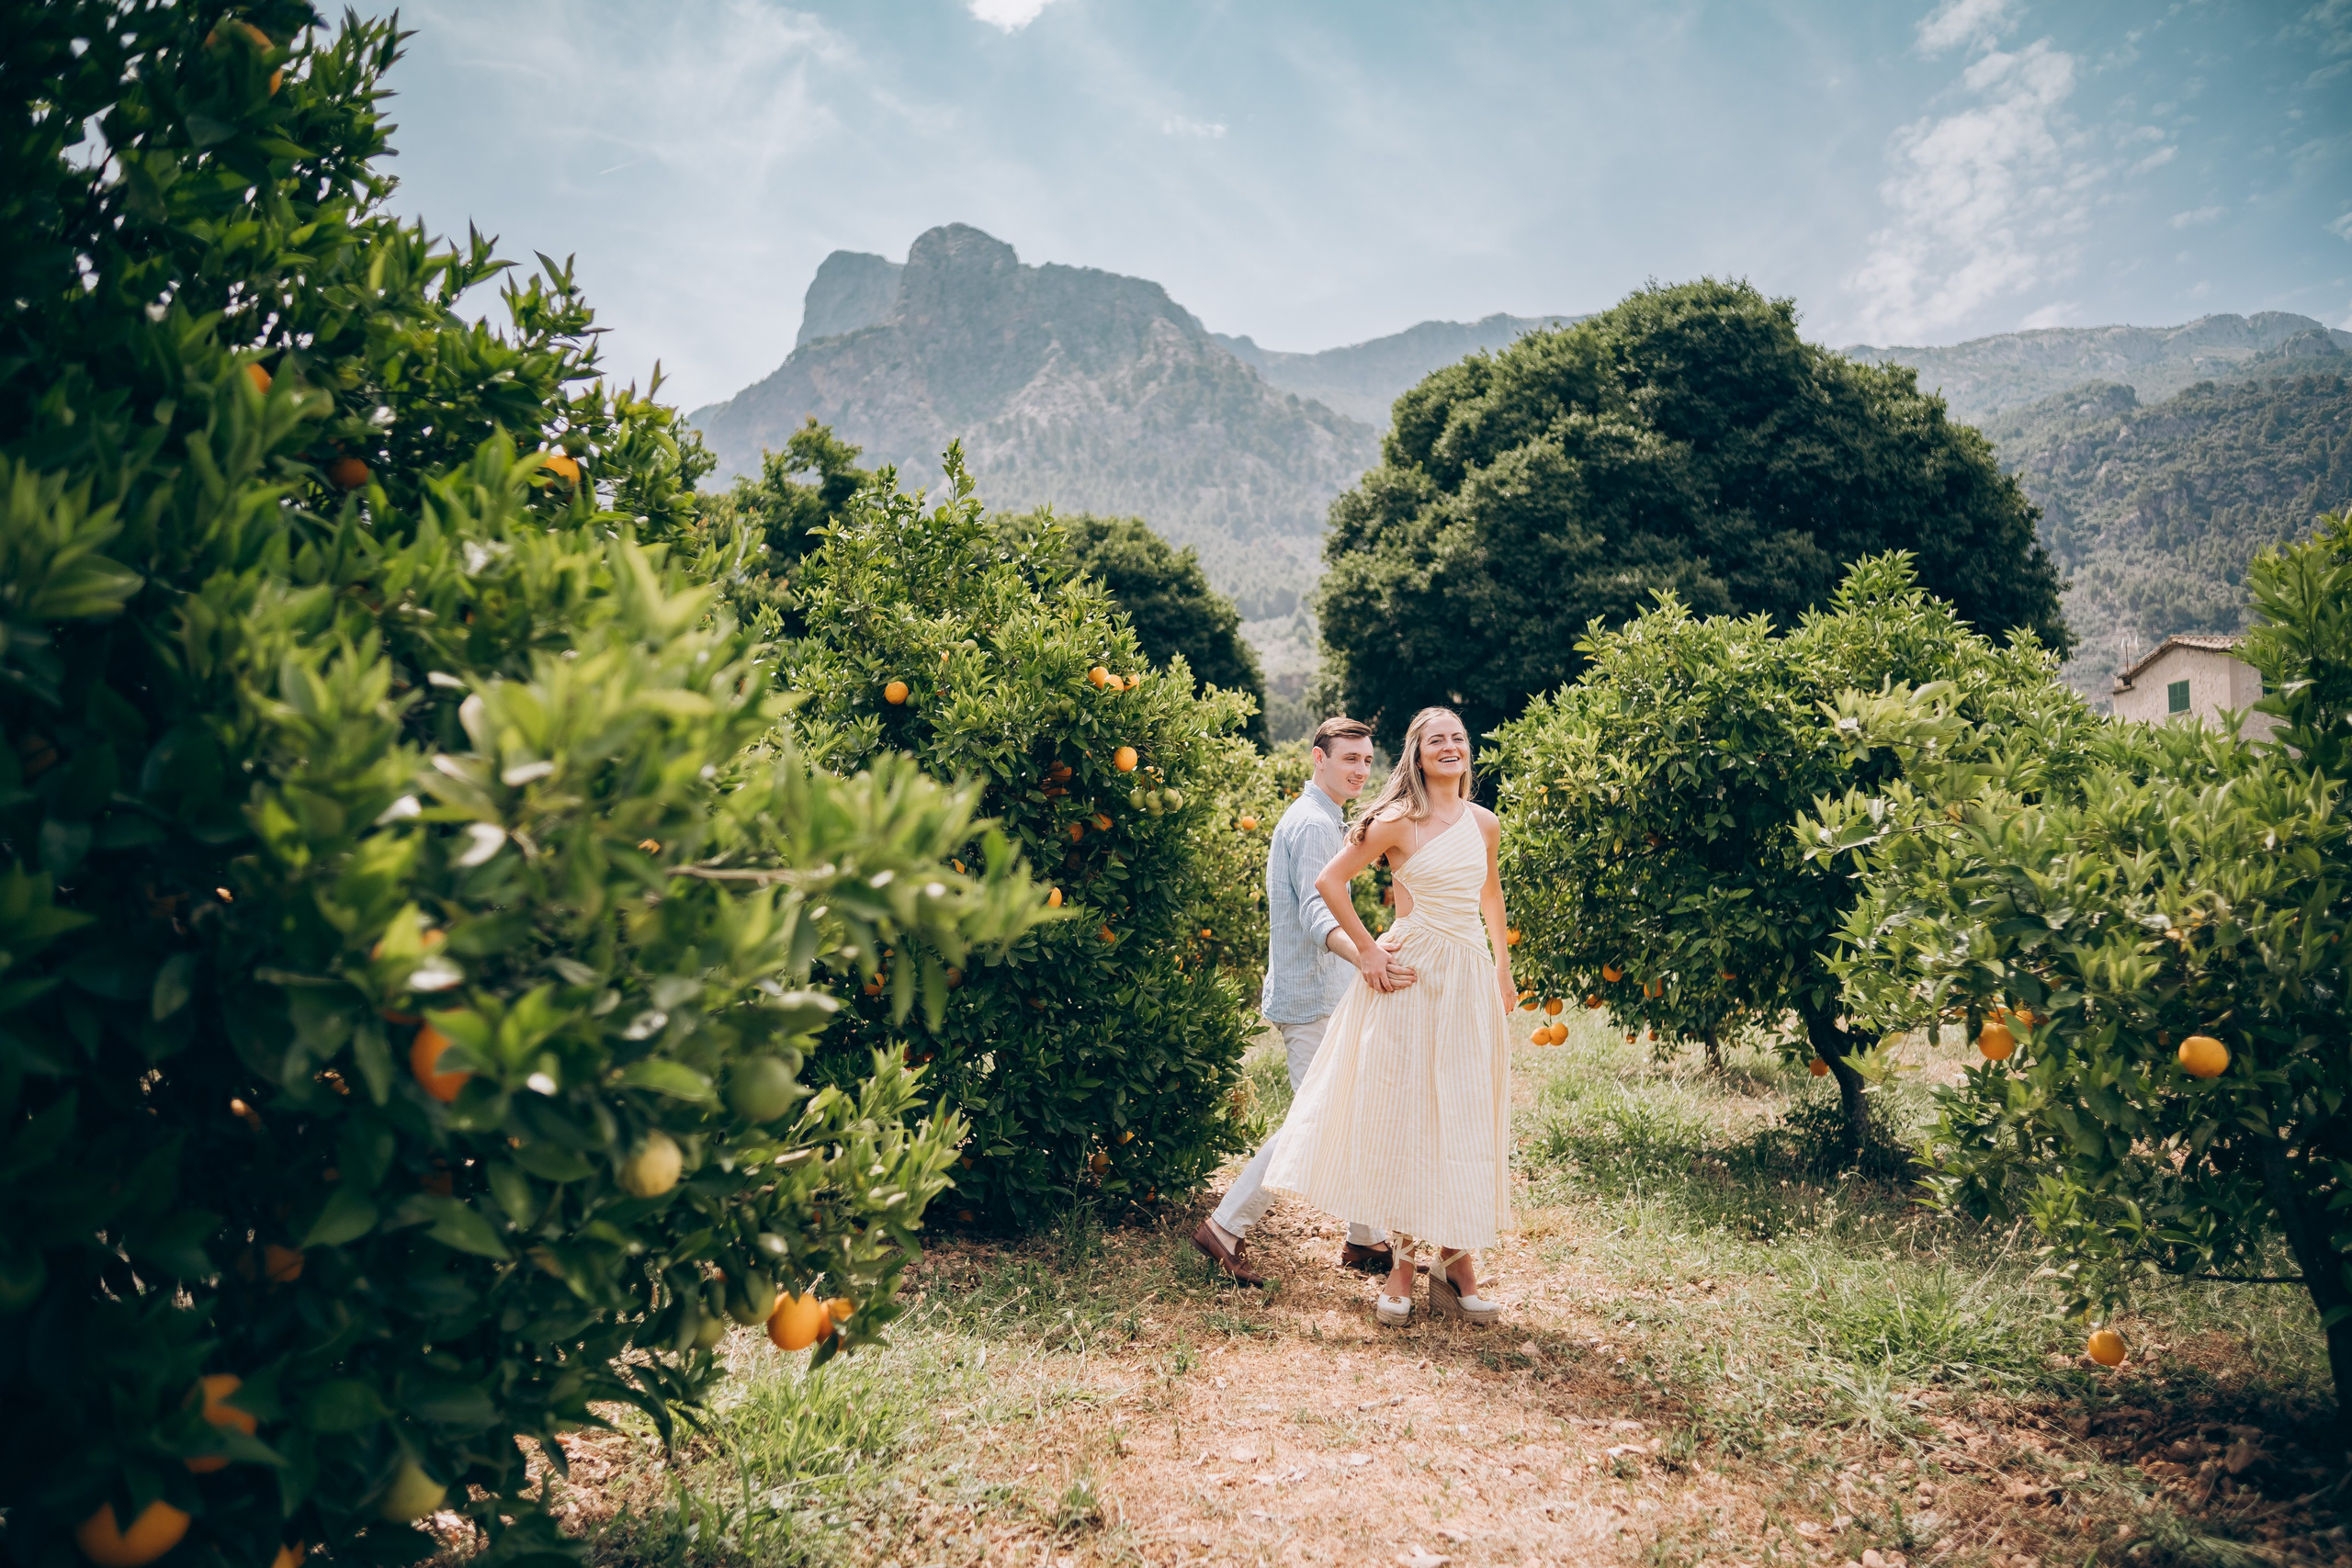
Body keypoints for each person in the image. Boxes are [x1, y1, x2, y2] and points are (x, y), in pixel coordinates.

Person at [1265, 706, 1513, 1325]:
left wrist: (1503, 968)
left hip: (1467, 978)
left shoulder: (1485, 824)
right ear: (1418, 754)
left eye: (1458, 736)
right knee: (1409, 1118)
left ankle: (1457, 1265)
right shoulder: (1396, 819)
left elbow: (1490, 896)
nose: (1450, 746)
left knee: (1464, 1115)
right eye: (1437, 740)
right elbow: (1328, 881)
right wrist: (1370, 951)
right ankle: (1402, 1266)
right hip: (1410, 977)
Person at [1191, 716, 1413, 1286]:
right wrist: (1366, 951)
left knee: (1350, 1112)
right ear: (1318, 759)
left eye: (1367, 760)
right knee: (1310, 1124)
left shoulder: (1321, 817)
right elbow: (1318, 915)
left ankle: (1365, 1240)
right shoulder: (1314, 823)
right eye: (1349, 759)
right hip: (1313, 1000)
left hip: (1317, 995)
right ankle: (1223, 1226)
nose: (1361, 770)